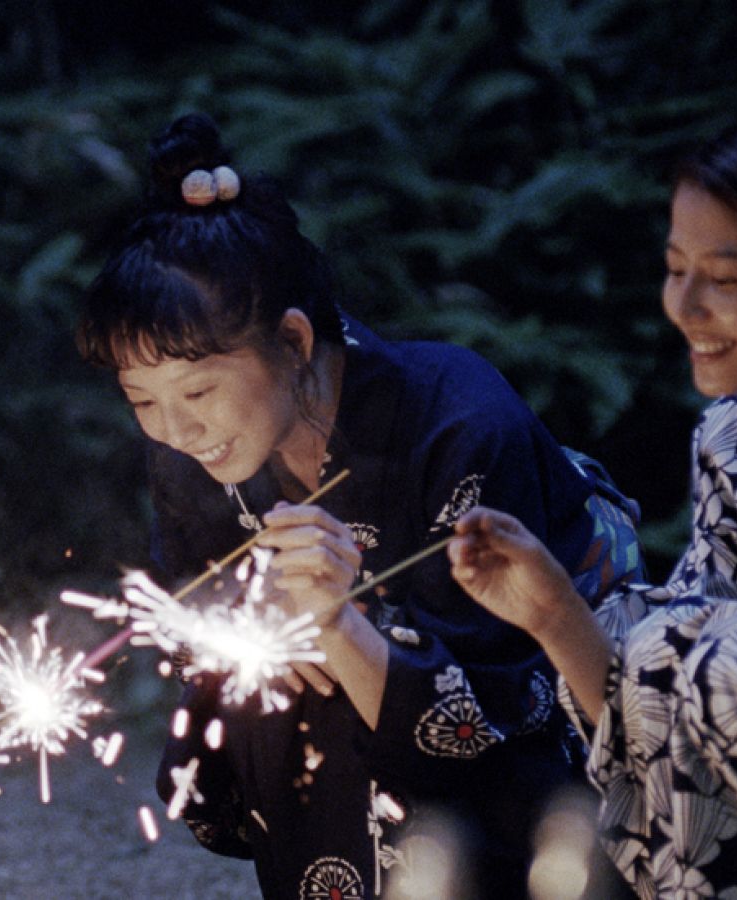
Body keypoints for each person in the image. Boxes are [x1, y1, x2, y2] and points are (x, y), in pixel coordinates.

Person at [76, 113, 641, 898]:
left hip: (523, 726)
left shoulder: (459, 421)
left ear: (297, 342)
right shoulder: (190, 454)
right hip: (341, 719)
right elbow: (186, 613)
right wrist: (255, 630)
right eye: (141, 399)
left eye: (199, 390)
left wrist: (340, 626)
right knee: (271, 675)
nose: (176, 429)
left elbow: (503, 685)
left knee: (344, 668)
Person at [449, 107, 737, 897]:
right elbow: (662, 686)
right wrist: (549, 611)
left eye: (728, 278)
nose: (685, 305)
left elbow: (727, 669)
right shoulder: (733, 442)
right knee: (657, 643)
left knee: (724, 653)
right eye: (676, 267)